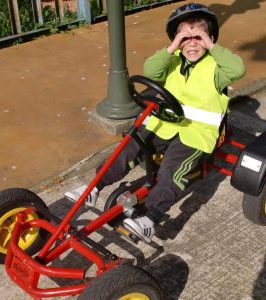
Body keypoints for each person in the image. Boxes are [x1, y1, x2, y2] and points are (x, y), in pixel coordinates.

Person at [65, 3, 245, 243]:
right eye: (185, 38)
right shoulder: (172, 61)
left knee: (172, 169)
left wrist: (210, 45)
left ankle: (150, 218)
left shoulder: (216, 69)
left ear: (210, 38)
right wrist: (172, 47)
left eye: (198, 38)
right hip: (166, 124)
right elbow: (150, 70)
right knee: (131, 143)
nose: (192, 43)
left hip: (196, 135)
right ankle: (93, 189)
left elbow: (238, 68)